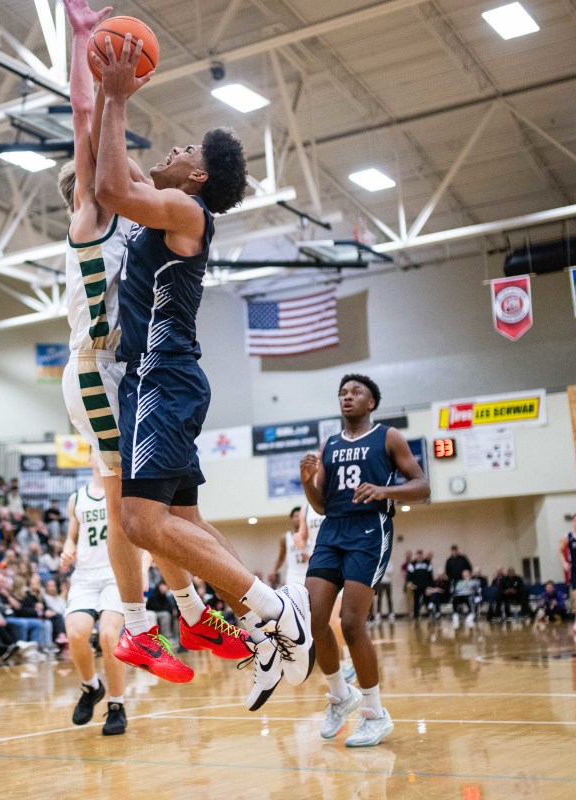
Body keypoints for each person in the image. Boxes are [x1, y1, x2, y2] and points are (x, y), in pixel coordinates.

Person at [89, 19, 310, 710]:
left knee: (141, 523)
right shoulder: (169, 208)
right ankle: (260, 626)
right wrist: (99, 92)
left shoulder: (183, 210)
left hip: (162, 375)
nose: (173, 146)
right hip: (163, 377)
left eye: (183, 146)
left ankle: (275, 608)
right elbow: (107, 165)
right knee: (186, 523)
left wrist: (119, 97)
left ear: (196, 175)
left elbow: (110, 190)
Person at [300, 374, 429, 748]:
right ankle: (341, 696)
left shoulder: (388, 437)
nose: (347, 396)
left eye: (356, 392)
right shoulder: (331, 443)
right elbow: (322, 503)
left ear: (371, 402)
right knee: (313, 620)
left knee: (352, 624)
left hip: (369, 532)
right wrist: (308, 481)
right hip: (331, 531)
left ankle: (375, 713)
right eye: (343, 392)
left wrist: (384, 490)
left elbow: (422, 486)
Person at [60, 464, 129, 736]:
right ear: (91, 458)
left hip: (116, 572)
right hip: (85, 575)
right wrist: (67, 551)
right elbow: (70, 538)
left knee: (109, 635)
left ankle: (116, 705)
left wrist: (143, 567)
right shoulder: (77, 498)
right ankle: (91, 686)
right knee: (76, 633)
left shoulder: (123, 491)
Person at [272, 506, 309, 589]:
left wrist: (309, 558)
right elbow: (281, 557)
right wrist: (274, 571)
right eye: (296, 516)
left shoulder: (311, 535)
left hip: (308, 574)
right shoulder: (285, 537)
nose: (298, 519)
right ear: (291, 519)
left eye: (300, 516)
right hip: (293, 576)